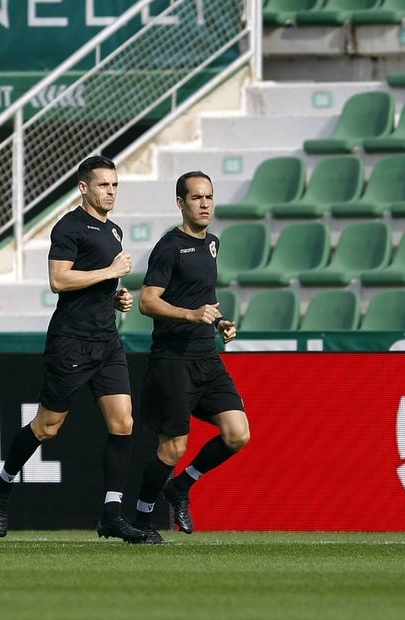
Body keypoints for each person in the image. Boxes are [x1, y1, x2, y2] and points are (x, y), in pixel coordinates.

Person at [0, 155, 153, 544]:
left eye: (114, 185)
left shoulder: (114, 231)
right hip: (71, 341)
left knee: (123, 422)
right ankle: (2, 484)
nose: (110, 192)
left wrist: (115, 296)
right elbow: (59, 280)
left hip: (106, 340)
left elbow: (91, 284)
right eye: (103, 185)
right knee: (48, 427)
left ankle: (111, 514)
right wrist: (110, 273)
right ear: (84, 188)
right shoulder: (69, 226)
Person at [130, 170, 250, 538]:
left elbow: (203, 299)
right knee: (173, 448)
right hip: (172, 361)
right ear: (181, 203)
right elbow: (146, 302)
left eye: (209, 197)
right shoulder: (169, 247)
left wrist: (219, 322)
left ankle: (180, 487)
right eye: (196, 198)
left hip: (206, 358)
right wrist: (191, 315)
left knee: (237, 433)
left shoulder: (211, 243)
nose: (204, 204)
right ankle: (141, 519)